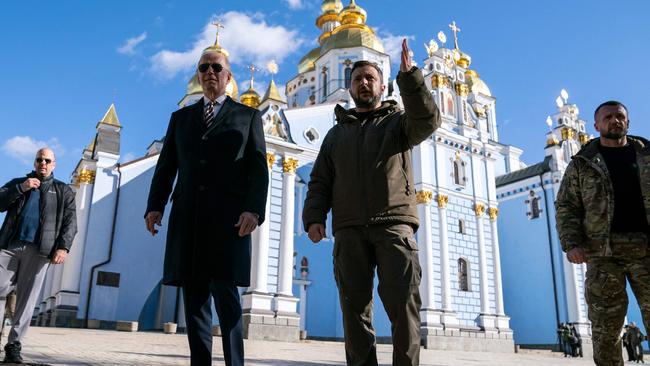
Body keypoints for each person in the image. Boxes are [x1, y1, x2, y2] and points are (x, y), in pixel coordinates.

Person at [302, 39, 441, 366]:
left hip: (394, 227)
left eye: (370, 78)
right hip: (349, 231)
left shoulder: (399, 123)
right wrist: (314, 217)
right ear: (349, 88)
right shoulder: (336, 135)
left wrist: (411, 79)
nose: (364, 83)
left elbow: (428, 121)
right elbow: (320, 179)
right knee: (354, 311)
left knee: (403, 307)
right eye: (357, 79)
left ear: (382, 86)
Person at [144, 47, 268, 366]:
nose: (210, 72)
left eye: (217, 67)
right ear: (198, 75)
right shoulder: (180, 119)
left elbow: (258, 169)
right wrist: (155, 206)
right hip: (190, 220)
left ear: (228, 77)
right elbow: (166, 166)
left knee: (228, 302)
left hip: (229, 222)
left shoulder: (248, 116)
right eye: (204, 67)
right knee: (195, 303)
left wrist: (254, 210)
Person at [555, 100, 650, 366]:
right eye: (608, 117)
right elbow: (566, 205)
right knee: (605, 329)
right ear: (597, 125)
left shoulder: (647, 156)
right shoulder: (582, 164)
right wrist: (571, 243)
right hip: (603, 254)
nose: (614, 120)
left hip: (646, 251)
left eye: (619, 116)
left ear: (628, 122)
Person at [0, 148, 76, 363]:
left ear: (54, 164)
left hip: (40, 251)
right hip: (9, 246)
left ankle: (14, 345)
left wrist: (63, 247)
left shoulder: (63, 190)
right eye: (39, 159)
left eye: (47, 160)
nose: (43, 163)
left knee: (26, 298)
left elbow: (71, 223)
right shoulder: (19, 183)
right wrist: (20, 188)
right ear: (34, 162)